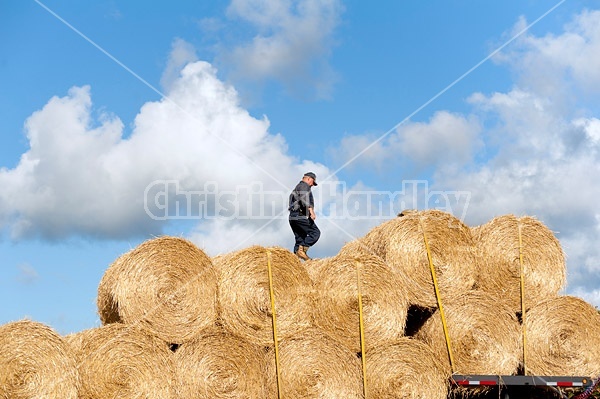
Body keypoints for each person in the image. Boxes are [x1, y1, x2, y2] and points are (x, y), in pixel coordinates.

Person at [288, 172, 321, 261]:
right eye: (312, 183)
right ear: (308, 179)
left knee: (300, 239)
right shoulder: (304, 186)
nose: (312, 185)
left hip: (293, 217)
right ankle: (301, 250)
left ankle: (294, 261)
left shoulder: (296, 188)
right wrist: (311, 211)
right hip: (300, 215)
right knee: (315, 233)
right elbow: (304, 199)